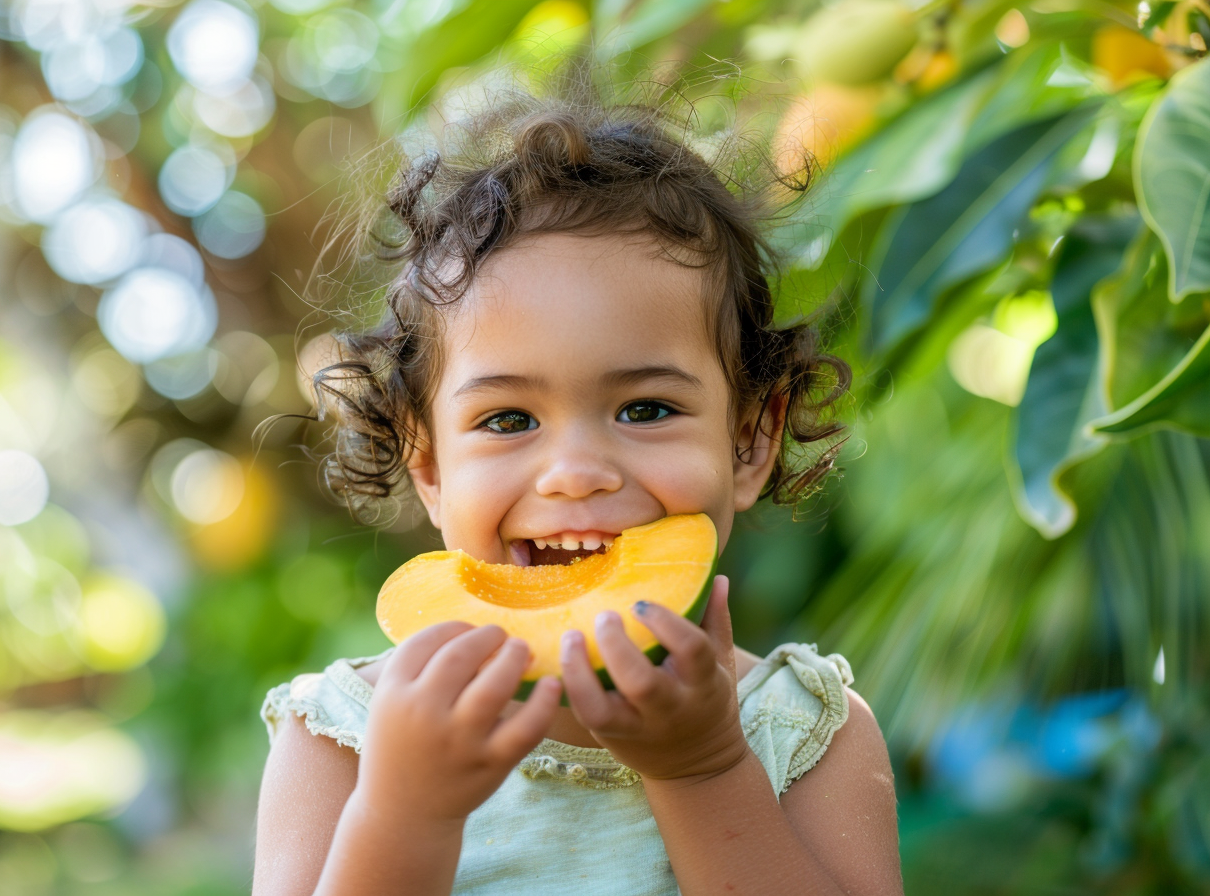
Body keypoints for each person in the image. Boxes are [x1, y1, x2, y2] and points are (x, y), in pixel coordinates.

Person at [252, 61, 902, 896]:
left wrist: (702, 770)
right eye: (509, 420)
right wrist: (405, 811)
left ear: (749, 441)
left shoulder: (807, 731)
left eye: (645, 409)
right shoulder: (343, 739)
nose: (576, 474)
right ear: (430, 468)